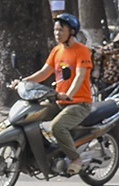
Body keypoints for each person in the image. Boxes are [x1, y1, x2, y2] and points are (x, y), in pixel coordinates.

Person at [20, 12, 94, 172]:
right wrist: (23, 82)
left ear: (72, 31)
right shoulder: (56, 50)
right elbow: (43, 73)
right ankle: (43, 152)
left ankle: (75, 158)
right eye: (55, 30)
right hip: (59, 101)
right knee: (29, 115)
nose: (57, 33)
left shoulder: (82, 51)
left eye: (61, 30)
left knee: (57, 127)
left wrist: (69, 94)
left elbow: (80, 76)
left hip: (79, 103)